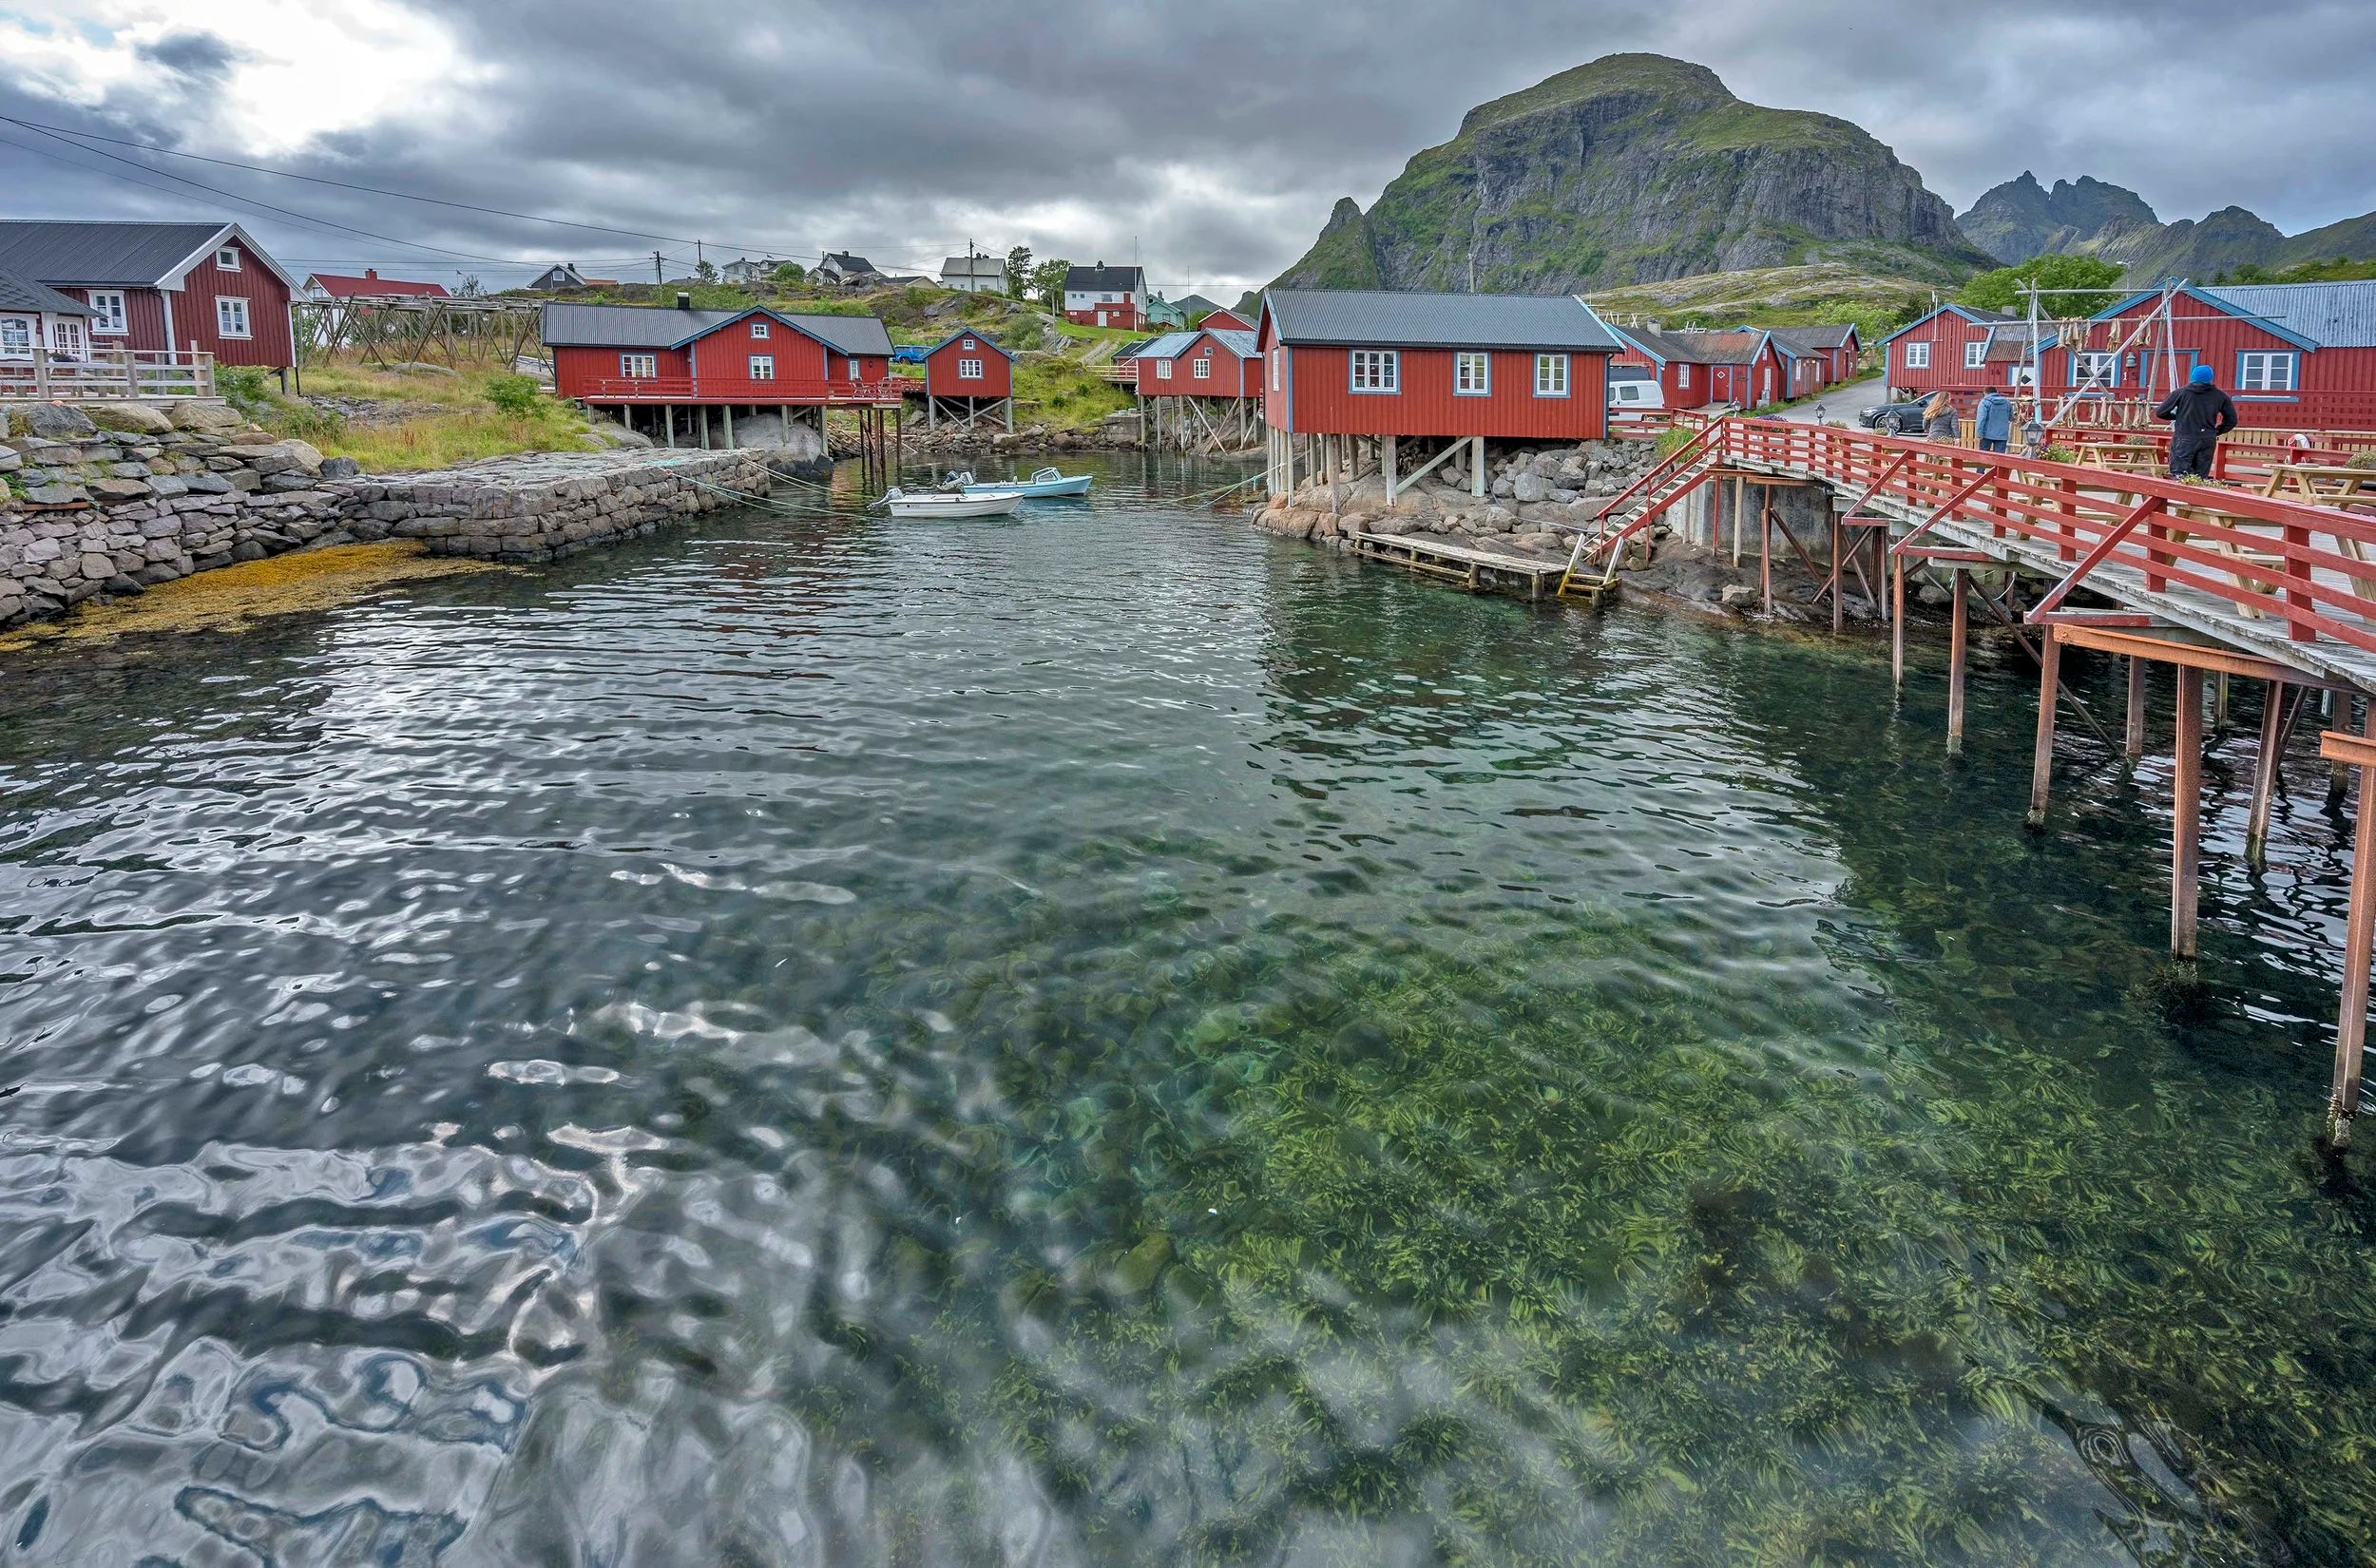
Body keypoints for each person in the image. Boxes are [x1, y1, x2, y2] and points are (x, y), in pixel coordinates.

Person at [2153, 364, 2238, 479]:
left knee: (2180, 475)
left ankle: (2179, 496)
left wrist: (2177, 416)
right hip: (2207, 439)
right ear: (2210, 378)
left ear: (2193, 377)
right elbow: (2232, 420)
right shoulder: (2220, 396)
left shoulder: (2181, 393)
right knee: (2200, 477)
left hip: (2184, 438)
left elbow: (2160, 412)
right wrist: (2216, 431)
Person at [1975, 386, 2015, 453]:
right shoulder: (2007, 402)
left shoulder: (1984, 402)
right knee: (1999, 458)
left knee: (1984, 457)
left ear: (1985, 393)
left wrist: (1979, 434)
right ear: (1996, 392)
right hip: (2002, 434)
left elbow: (1981, 419)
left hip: (1986, 434)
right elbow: (2011, 417)